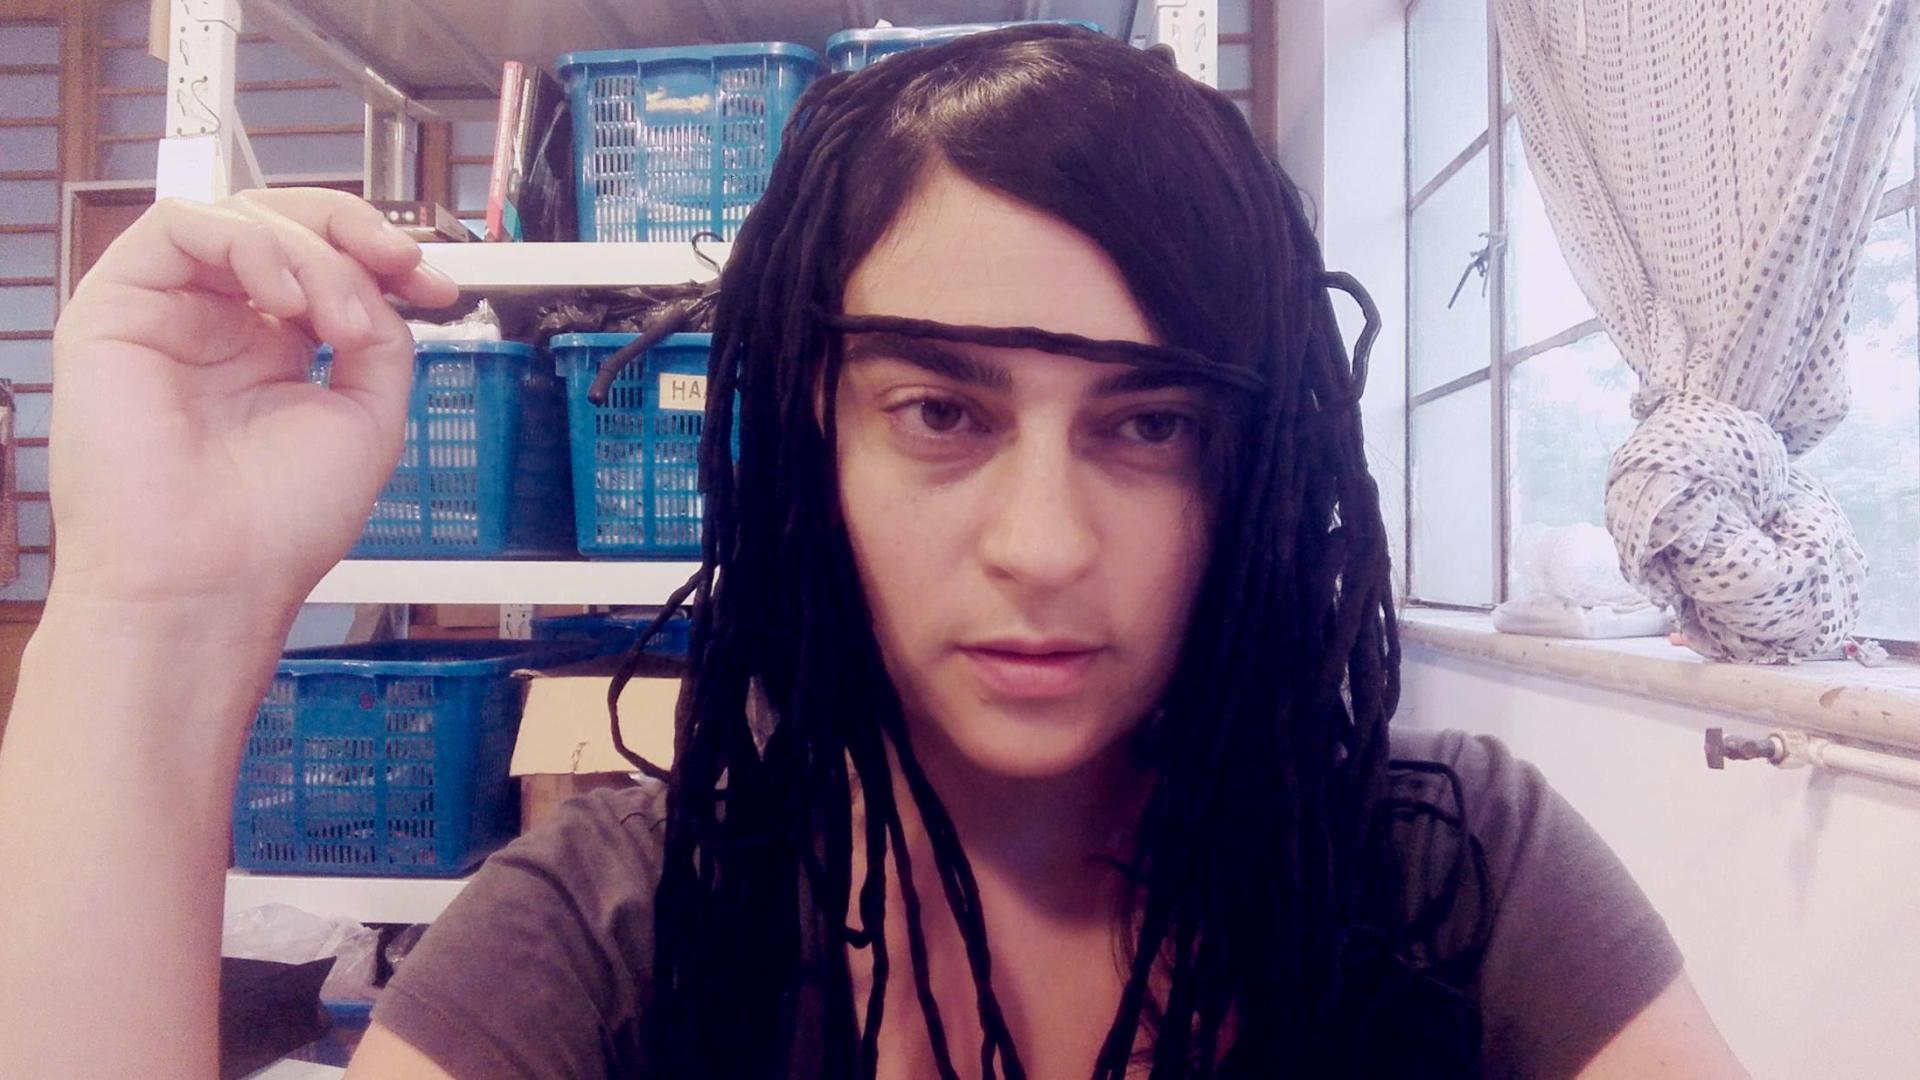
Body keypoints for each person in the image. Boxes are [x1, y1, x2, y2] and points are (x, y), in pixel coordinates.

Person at [0, 24, 1747, 1080]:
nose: (1044, 546)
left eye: (1150, 426)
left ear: (1262, 466)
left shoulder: (1450, 874)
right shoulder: (625, 930)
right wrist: (153, 616)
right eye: (942, 412)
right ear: (808, 440)